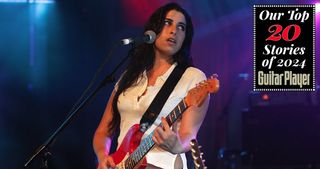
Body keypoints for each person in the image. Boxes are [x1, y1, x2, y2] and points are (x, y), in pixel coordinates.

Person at [93, 2, 210, 169]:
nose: (174, 31)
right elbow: (103, 131)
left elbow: (188, 137)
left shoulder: (193, 77)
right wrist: (102, 156)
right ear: (153, 29)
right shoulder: (130, 76)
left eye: (181, 27)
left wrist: (175, 144)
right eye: (167, 23)